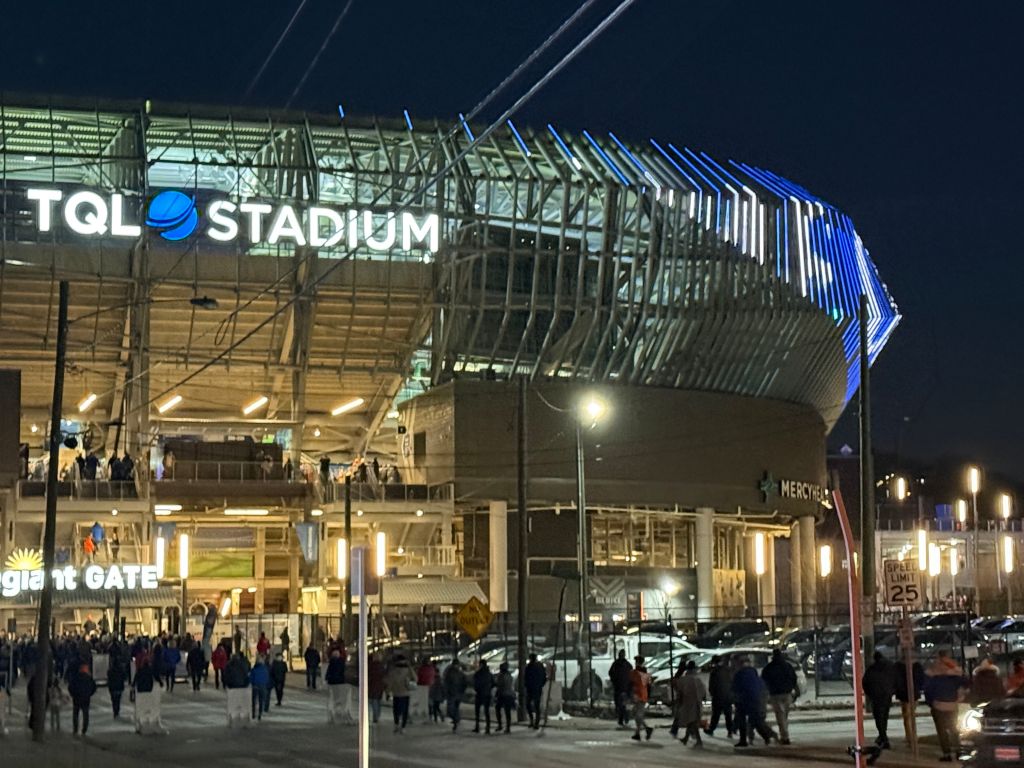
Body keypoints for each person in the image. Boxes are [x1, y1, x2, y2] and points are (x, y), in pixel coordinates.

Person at [924, 651, 968, 762]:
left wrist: (931, 703)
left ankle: (947, 754)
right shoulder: (954, 676)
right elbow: (967, 683)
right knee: (953, 729)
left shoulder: (934, 675)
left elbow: (928, 691)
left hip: (938, 705)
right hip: (952, 705)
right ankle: (958, 752)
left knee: (942, 731)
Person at [732, 655, 775, 748]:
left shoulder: (739, 674)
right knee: (756, 720)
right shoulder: (753, 673)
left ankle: (743, 740)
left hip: (743, 700)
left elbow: (735, 688)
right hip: (755, 699)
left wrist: (735, 698)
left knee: (742, 721)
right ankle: (766, 737)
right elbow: (760, 686)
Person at [762, 648, 798, 745]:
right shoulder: (787, 666)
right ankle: (784, 734)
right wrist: (793, 689)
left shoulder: (769, 667)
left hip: (775, 694)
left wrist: (767, 692)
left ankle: (785, 737)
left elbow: (764, 680)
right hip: (787, 693)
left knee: (780, 716)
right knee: (784, 716)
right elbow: (794, 678)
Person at [863, 651, 896, 750]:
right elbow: (895, 680)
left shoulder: (871, 669)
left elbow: (865, 682)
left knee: (878, 718)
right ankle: (882, 736)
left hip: (876, 696)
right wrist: (892, 691)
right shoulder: (890, 667)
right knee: (884, 716)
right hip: (886, 696)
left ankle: (883, 738)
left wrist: (870, 694)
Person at [675, 659, 707, 747]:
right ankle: (687, 738)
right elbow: (703, 692)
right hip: (696, 702)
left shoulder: (684, 679)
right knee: (692, 720)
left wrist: (679, 702)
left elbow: (680, 692)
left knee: (691, 721)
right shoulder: (697, 679)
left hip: (687, 702)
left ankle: (698, 740)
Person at [894, 657, 925, 744]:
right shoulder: (917, 666)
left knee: (907, 716)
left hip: (904, 693)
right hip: (914, 692)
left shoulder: (898, 666)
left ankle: (909, 736)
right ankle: (912, 735)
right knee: (911, 715)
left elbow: (896, 679)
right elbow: (921, 679)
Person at [705, 654, 735, 738]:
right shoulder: (727, 670)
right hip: (727, 695)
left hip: (718, 696)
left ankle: (711, 729)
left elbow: (712, 685)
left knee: (716, 714)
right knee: (728, 715)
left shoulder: (715, 671)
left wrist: (712, 693)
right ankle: (730, 731)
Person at [386, 654, 417, 734]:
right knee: (405, 711)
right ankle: (403, 727)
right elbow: (416, 679)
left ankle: (396, 725)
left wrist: (388, 692)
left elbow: (390, 682)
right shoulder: (408, 670)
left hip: (396, 693)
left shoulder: (392, 670)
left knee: (396, 710)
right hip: (406, 693)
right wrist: (410, 667)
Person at [629, 656, 654, 742]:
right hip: (641, 695)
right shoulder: (642, 673)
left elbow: (631, 684)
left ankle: (644, 730)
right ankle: (639, 732)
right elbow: (649, 686)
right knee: (637, 714)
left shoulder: (636, 673)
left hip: (640, 696)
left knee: (638, 715)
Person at [68, 663, 96, 737]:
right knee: (85, 714)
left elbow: (70, 687)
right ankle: (84, 729)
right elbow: (94, 687)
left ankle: (75, 729)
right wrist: (89, 694)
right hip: (86, 698)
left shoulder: (76, 678)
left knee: (76, 714)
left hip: (77, 698)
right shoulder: (89, 678)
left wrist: (73, 694)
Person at [608, 650, 633, 728]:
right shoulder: (627, 665)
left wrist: (614, 681)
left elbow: (611, 673)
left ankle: (622, 718)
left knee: (620, 704)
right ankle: (624, 718)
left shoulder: (616, 664)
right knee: (623, 704)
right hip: (624, 687)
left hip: (619, 687)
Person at [443, 660, 468, 733]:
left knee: (452, 709)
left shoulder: (450, 673)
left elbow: (446, 683)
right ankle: (456, 720)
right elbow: (465, 683)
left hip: (454, 693)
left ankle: (456, 721)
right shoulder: (457, 673)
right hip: (455, 693)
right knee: (453, 709)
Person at [471, 659, 494, 734]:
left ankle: (477, 727)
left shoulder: (478, 674)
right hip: (487, 693)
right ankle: (488, 727)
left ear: (481, 665)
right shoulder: (489, 673)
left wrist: (477, 689)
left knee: (477, 711)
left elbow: (475, 683)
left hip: (480, 693)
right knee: (486, 711)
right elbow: (493, 683)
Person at [524, 653, 546, 730]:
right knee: (534, 705)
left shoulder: (530, 667)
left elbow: (526, 678)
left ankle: (534, 722)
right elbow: (544, 676)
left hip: (533, 688)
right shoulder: (538, 666)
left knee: (530, 705)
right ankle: (535, 722)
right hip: (536, 688)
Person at [494, 661, 516, 734]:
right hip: (509, 695)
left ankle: (500, 725)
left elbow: (499, 685)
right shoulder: (510, 675)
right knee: (507, 711)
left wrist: (496, 694)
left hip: (503, 694)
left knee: (498, 709)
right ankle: (508, 727)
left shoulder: (501, 676)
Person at [250, 656, 271, 721]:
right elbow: (267, 678)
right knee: (261, 700)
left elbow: (251, 678)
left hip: (255, 686)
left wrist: (252, 683)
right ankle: (260, 713)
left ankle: (253, 713)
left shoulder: (254, 669)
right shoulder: (265, 669)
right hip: (263, 686)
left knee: (254, 700)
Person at [367, 653, 386, 724]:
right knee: (378, 701)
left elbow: (369, 675)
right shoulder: (382, 666)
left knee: (374, 700)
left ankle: (375, 716)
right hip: (380, 685)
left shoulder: (370, 666)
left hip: (372, 685)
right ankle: (377, 715)